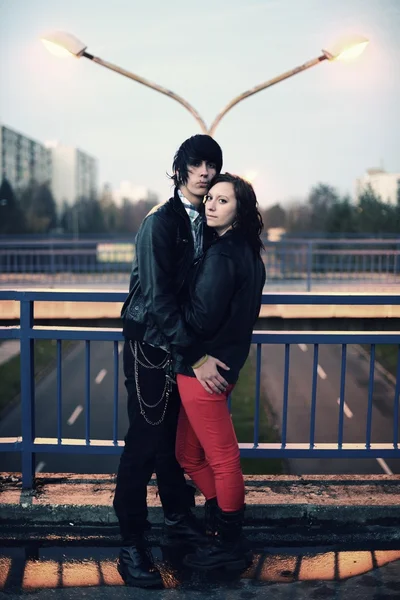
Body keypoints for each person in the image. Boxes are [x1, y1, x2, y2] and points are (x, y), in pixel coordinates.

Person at [113, 134, 229, 589]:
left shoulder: (208, 219)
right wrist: (196, 355)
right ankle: (131, 544)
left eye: (212, 165)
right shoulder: (160, 223)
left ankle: (178, 520)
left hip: (177, 346)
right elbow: (159, 301)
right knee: (143, 447)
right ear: (180, 169)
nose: (205, 172)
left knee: (171, 446)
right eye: (197, 164)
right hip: (151, 347)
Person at [174, 173, 266, 571]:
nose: (211, 204)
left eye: (222, 200)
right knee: (187, 455)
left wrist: (171, 304)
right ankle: (220, 519)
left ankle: (231, 542)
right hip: (222, 368)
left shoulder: (223, 255)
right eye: (210, 198)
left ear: (239, 211)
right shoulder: (247, 252)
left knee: (223, 460)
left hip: (203, 372)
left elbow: (200, 318)